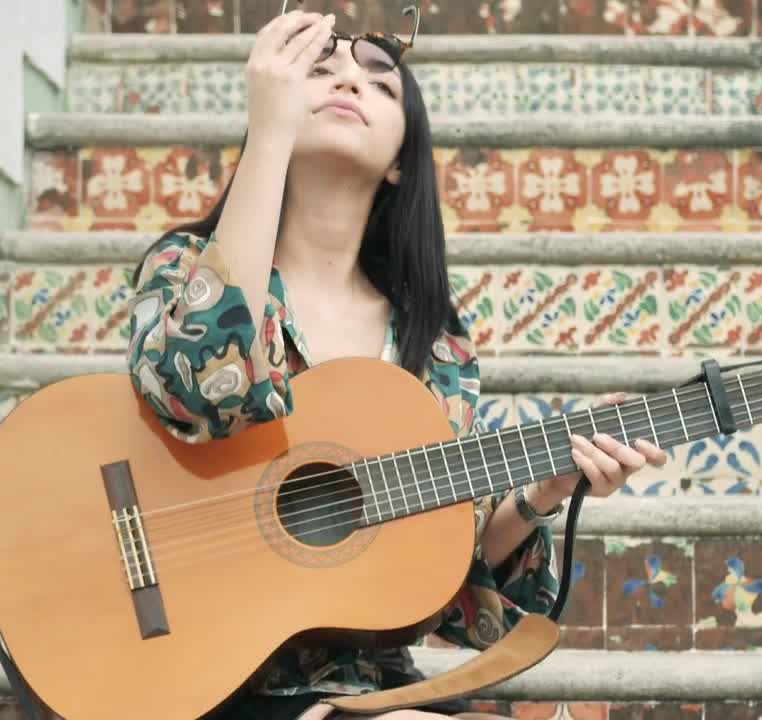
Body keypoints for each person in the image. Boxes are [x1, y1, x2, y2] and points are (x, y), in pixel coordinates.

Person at [124, 5, 668, 719]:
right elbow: (200, 386)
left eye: (381, 84)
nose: (349, 80)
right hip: (197, 667)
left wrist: (543, 490)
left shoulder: (433, 346)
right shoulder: (184, 267)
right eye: (321, 71)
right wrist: (269, 132)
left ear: (401, 160)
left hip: (365, 691)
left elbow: (440, 572)